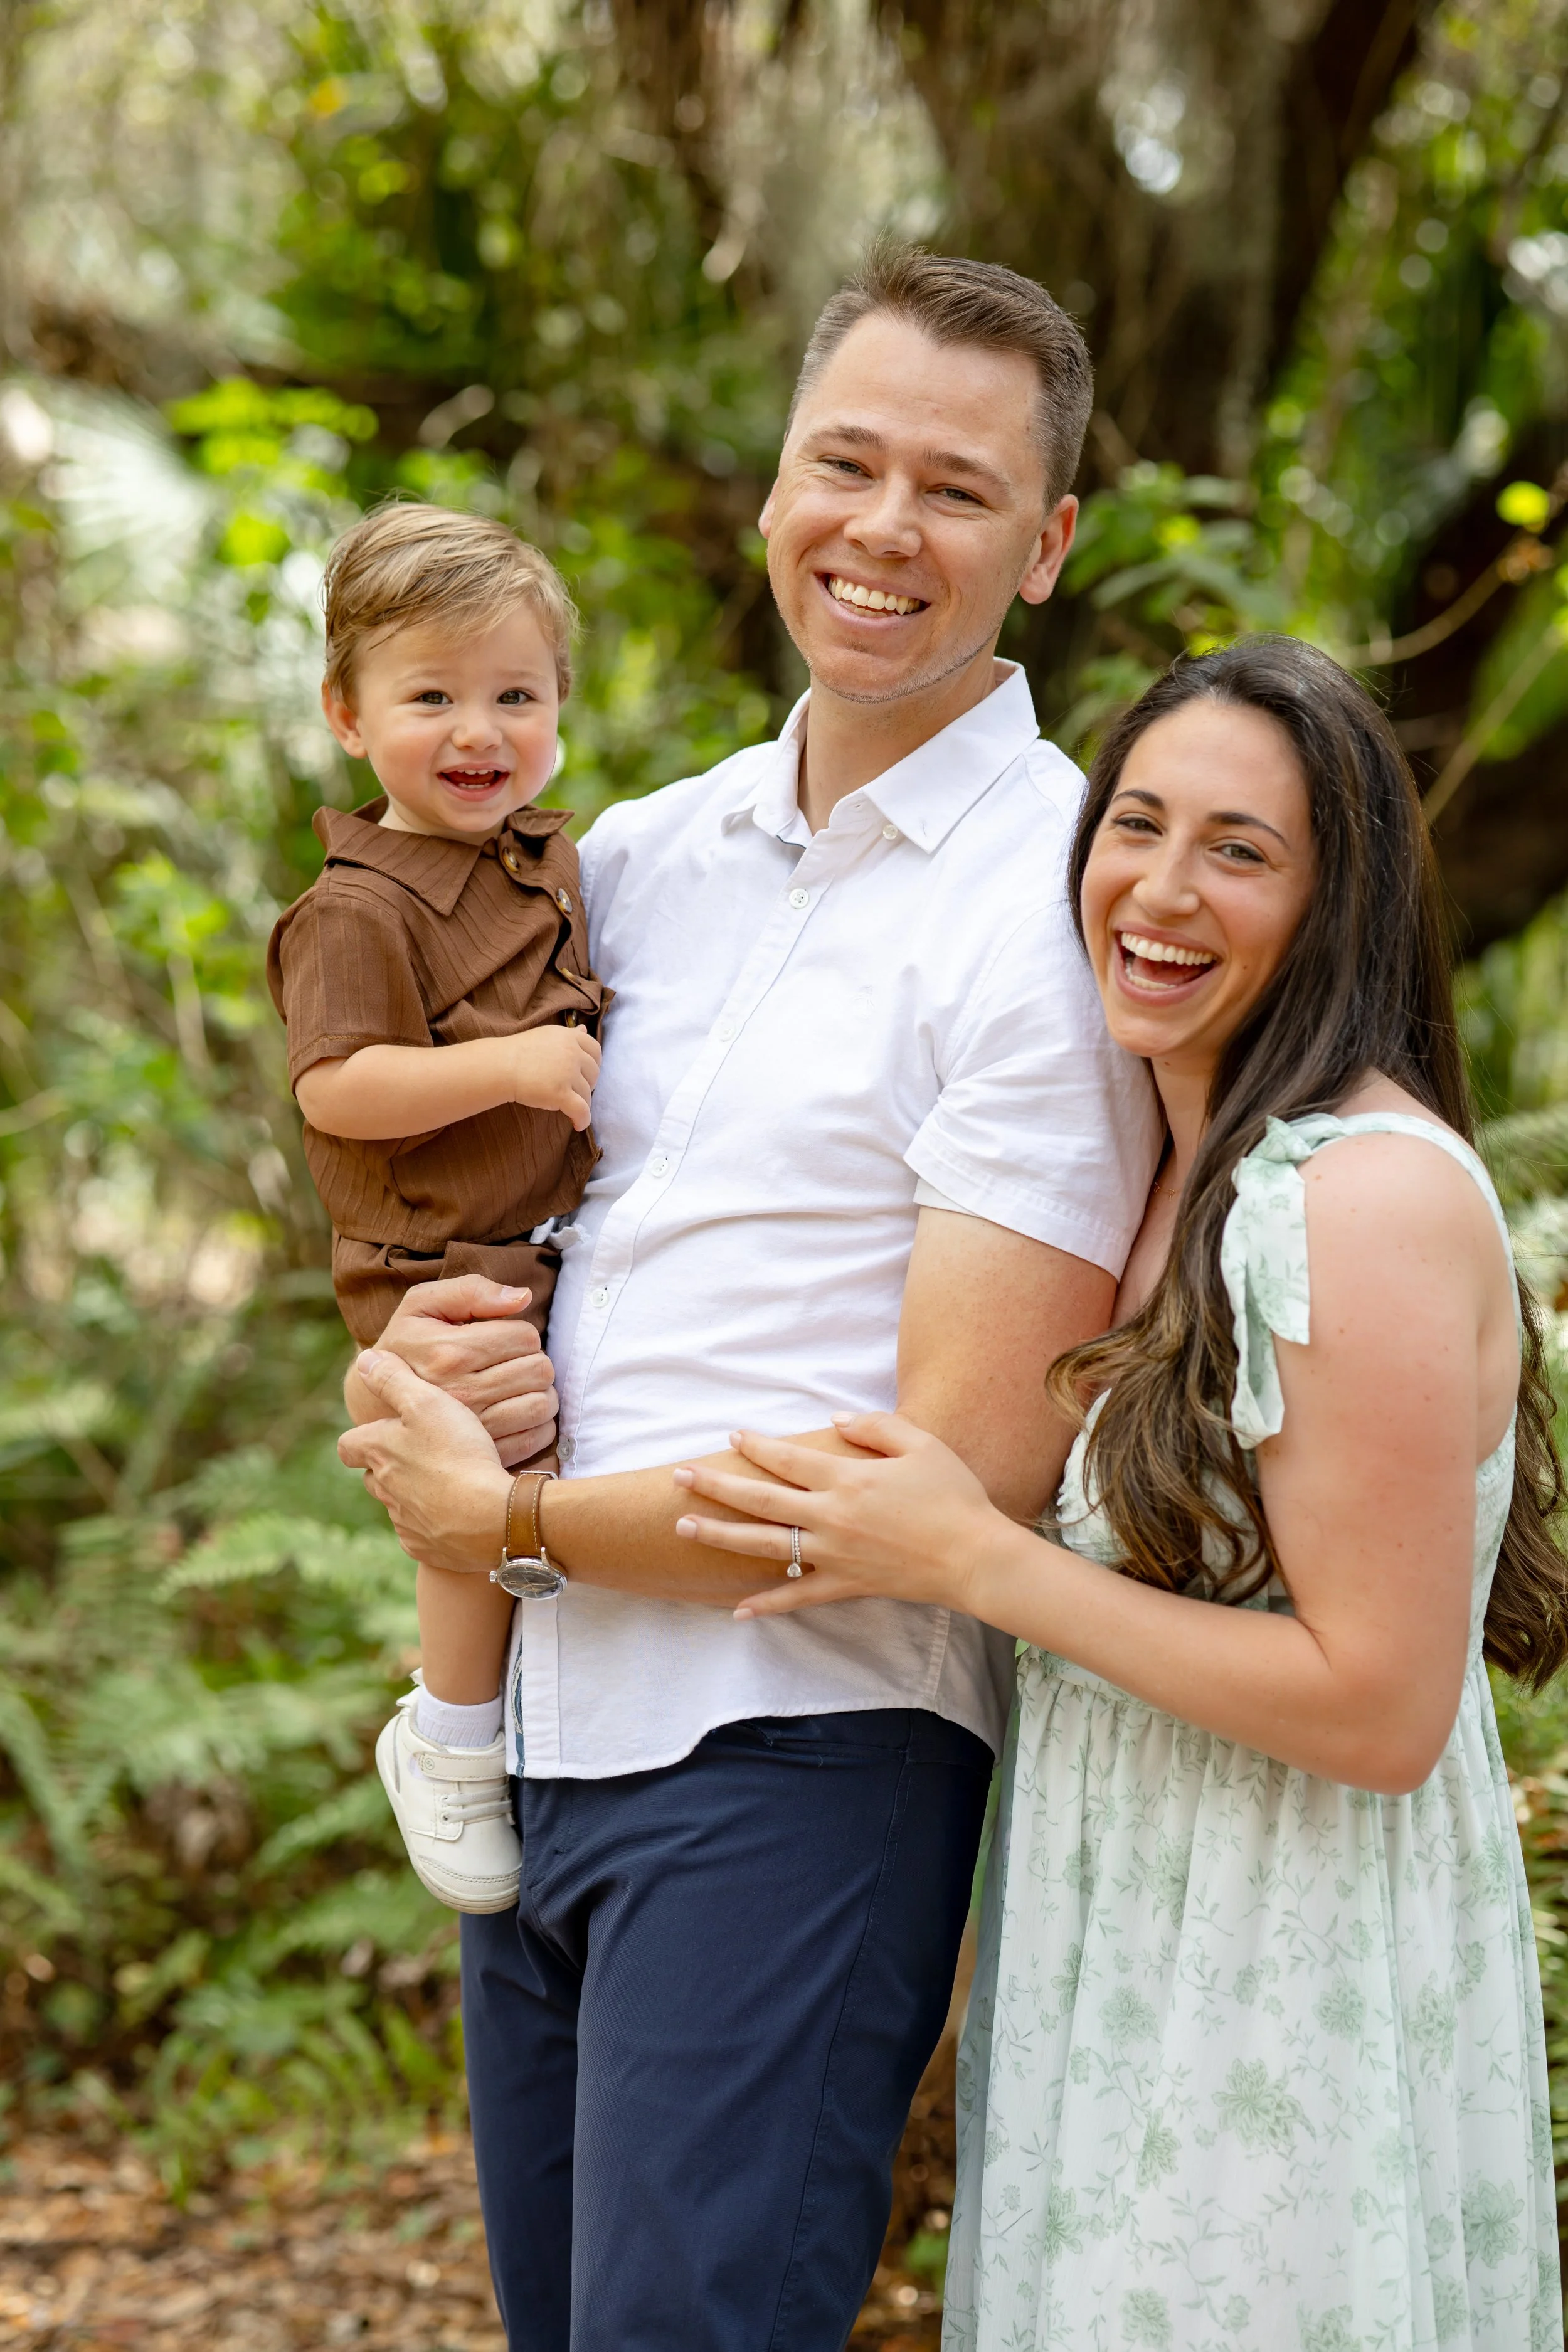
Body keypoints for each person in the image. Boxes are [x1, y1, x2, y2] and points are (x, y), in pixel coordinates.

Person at [337, 242, 1160, 2351]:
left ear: (1050, 543)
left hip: (800, 1753)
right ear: (774, 487)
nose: (884, 527)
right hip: (534, 1733)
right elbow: (475, 1203)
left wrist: (505, 1521)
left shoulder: (1056, 918)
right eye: (845, 462)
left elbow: (954, 1462)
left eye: (958, 489)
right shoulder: (627, 855)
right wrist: (431, 1361)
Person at [667, 637, 1567, 2351]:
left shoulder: (1349, 1199)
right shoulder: (1177, 1171)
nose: (1157, 888)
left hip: (1280, 1987)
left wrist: (972, 1562)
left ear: (1339, 902)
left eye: (1240, 848)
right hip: (1136, 1952)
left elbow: (1379, 1702)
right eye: (1134, 822)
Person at [267, 504, 605, 1913]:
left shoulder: (542, 859)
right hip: (431, 1259)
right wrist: (510, 1065)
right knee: (480, 1456)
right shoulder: (358, 909)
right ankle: (449, 1734)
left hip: (544, 1242)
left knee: (542, 1449)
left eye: (513, 694)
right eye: (431, 697)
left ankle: (510, 1705)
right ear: (349, 715)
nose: (478, 730)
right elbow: (334, 1089)